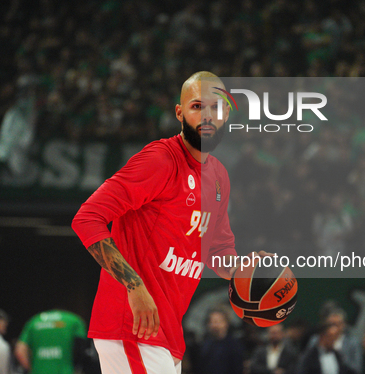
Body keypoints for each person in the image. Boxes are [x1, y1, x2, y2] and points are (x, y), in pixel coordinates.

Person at [72, 71, 264, 374]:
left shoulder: (219, 177)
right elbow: (87, 218)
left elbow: (217, 250)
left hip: (166, 331)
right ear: (180, 112)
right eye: (197, 106)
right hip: (132, 325)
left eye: (216, 107)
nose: (208, 116)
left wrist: (244, 273)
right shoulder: (160, 160)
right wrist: (134, 286)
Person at [14, 309, 87, 374]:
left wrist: (32, 369)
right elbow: (82, 347)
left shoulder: (34, 321)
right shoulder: (74, 320)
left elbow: (20, 350)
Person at [306, 308, 362, 374]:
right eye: (330, 325)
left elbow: (357, 369)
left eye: (336, 325)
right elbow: (306, 363)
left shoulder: (352, 343)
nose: (333, 328)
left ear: (343, 325)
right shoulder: (315, 340)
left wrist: (340, 357)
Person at [198, 308, 244, 374]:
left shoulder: (234, 345)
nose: (214, 325)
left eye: (217, 322)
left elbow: (238, 367)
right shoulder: (205, 345)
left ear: (226, 323)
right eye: (211, 322)